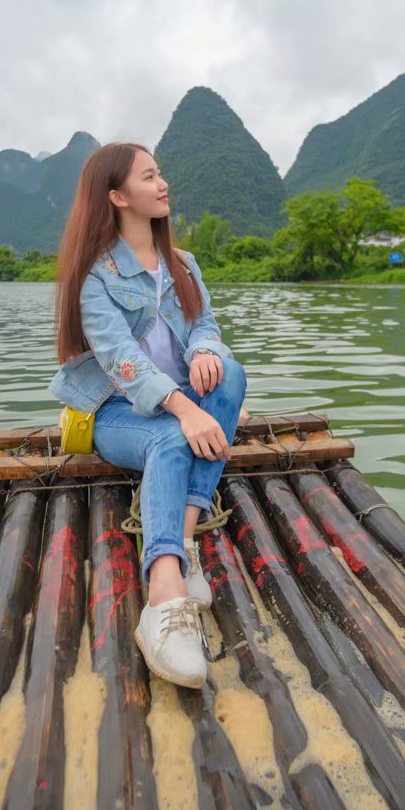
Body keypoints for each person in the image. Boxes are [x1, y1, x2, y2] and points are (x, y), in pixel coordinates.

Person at [50, 142, 246, 688]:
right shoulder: (93, 278)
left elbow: (205, 323)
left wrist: (206, 349)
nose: (163, 185)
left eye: (161, 174)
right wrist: (187, 411)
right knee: (170, 438)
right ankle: (163, 594)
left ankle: (181, 540)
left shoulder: (183, 265)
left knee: (230, 374)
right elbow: (125, 364)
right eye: (149, 177)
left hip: (178, 400)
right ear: (116, 196)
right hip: (114, 413)